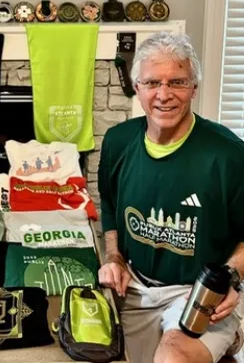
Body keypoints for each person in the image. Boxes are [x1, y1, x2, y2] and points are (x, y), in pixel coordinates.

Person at [98, 32, 244, 363]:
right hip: (136, 286)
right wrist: (113, 258)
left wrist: (232, 279)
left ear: (193, 87)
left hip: (197, 291)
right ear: (137, 88)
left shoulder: (228, 155)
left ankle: (229, 333)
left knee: (173, 356)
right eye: (152, 83)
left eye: (177, 82)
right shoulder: (118, 141)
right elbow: (108, 203)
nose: (164, 95)